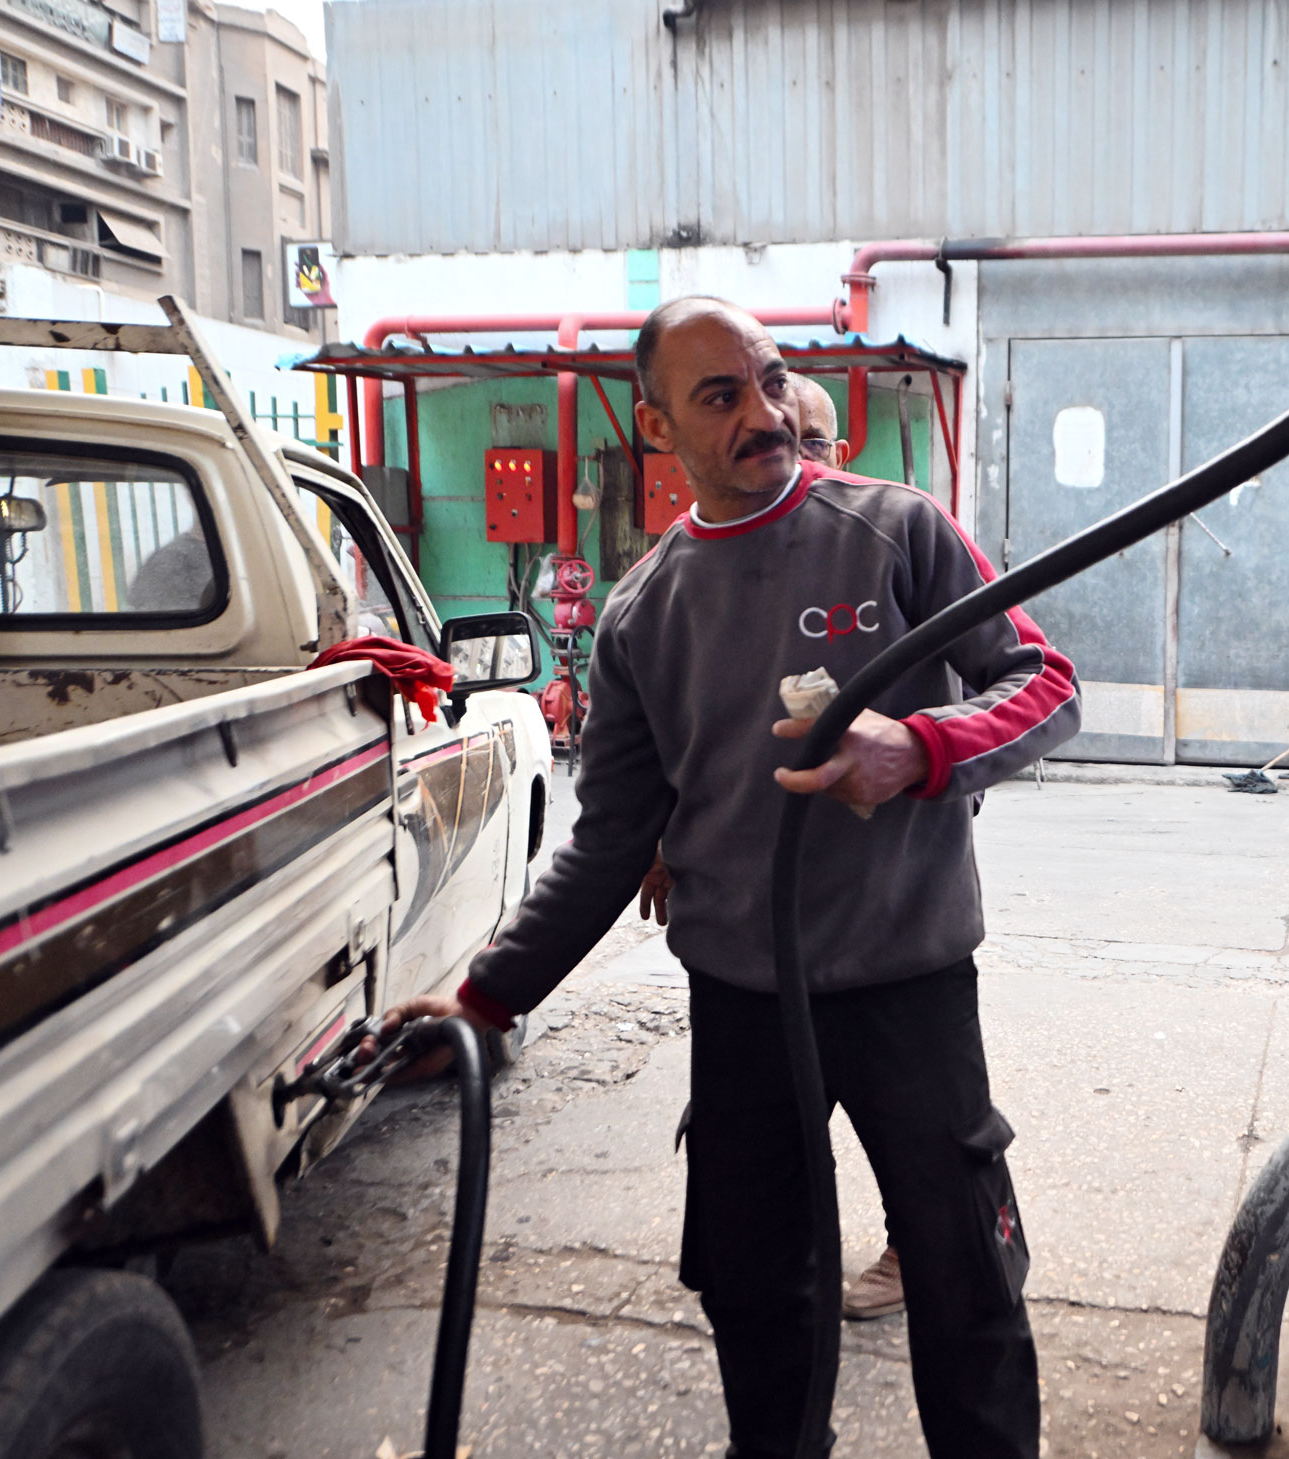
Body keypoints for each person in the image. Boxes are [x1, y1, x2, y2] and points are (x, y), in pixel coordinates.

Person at [380, 296, 1079, 1459]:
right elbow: (610, 840)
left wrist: (921, 749)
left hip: (910, 993)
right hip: (744, 1009)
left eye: (771, 379)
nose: (765, 414)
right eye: (720, 396)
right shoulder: (641, 615)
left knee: (966, 1288)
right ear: (657, 429)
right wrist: (483, 999)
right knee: (757, 1299)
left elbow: (1045, 682)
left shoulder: (896, 532)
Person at [634, 369, 907, 1324]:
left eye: (815, 441)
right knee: (754, 1150)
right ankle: (764, 1285)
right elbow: (680, 748)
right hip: (753, 947)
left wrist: (920, 757)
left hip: (879, 929)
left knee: (912, 1132)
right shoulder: (677, 583)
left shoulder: (888, 542)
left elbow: (996, 692)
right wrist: (661, 840)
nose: (794, 453)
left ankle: (920, 1241)